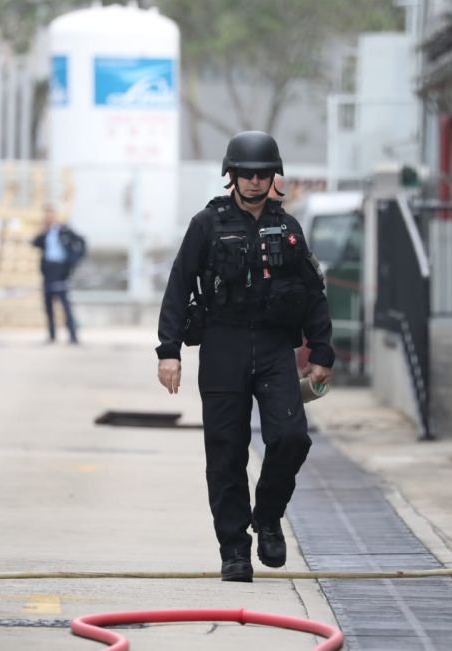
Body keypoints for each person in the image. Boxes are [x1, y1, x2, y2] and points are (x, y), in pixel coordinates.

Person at [155, 131, 334, 582]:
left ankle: (268, 515)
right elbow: (178, 285)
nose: (254, 182)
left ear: (273, 176)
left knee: (292, 438)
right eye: (246, 174)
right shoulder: (206, 224)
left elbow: (313, 294)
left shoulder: (288, 229)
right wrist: (169, 350)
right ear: (231, 175)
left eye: (262, 174)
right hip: (222, 345)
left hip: (275, 347)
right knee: (226, 454)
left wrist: (323, 350)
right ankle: (234, 548)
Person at [31, 206, 85, 344]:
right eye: (46, 216)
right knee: (48, 304)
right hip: (48, 271)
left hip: (61, 271)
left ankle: (73, 335)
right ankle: (52, 335)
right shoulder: (45, 233)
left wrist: (75, 260)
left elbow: (81, 242)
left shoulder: (64, 230)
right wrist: (43, 230)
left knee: (65, 304)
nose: (48, 218)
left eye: (50, 215)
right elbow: (34, 243)